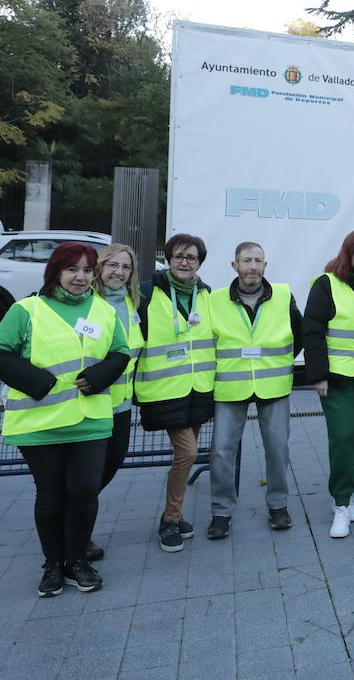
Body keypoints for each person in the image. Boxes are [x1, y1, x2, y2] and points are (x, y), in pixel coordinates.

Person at [0, 242, 130, 596]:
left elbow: (120, 352)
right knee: (50, 495)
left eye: (86, 270)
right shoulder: (27, 309)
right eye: (72, 270)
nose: (80, 277)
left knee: (84, 492)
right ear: (56, 272)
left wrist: (101, 374)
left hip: (89, 420)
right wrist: (36, 381)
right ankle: (53, 563)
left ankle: (77, 560)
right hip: (40, 423)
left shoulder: (103, 310)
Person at [206, 242, 303, 541]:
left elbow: (299, 334)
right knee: (222, 451)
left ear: (265, 265)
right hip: (230, 386)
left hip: (273, 386)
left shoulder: (283, 295)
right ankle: (221, 512)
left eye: (258, 260)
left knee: (277, 449)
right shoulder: (215, 299)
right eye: (246, 260)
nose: (252, 266)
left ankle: (278, 505)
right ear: (234, 266)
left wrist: (281, 362)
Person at [303, 230, 354, 539]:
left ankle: (344, 490)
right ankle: (341, 504)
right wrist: (318, 375)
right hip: (338, 377)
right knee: (342, 437)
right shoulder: (327, 284)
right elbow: (311, 330)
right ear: (346, 253)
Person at [135, 233, 215, 554]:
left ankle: (175, 514)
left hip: (198, 389)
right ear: (168, 259)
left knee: (184, 456)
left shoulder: (206, 295)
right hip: (164, 389)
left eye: (191, 258)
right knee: (189, 453)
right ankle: (169, 520)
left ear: (199, 262)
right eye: (178, 256)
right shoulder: (148, 292)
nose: (184, 262)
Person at [86, 243, 146, 561]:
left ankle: (74, 520)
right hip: (90, 404)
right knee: (88, 473)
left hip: (120, 404)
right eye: (113, 265)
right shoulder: (86, 302)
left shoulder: (131, 302)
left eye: (125, 267)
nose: (118, 272)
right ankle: (77, 534)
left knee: (111, 464)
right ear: (100, 266)